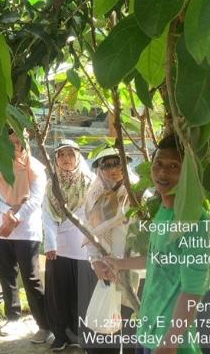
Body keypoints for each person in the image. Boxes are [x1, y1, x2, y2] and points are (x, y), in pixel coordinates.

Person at [102, 135, 210, 354]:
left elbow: (194, 290)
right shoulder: (164, 210)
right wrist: (119, 263)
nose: (163, 173)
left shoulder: (196, 221)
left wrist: (170, 342)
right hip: (149, 332)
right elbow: (160, 258)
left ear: (189, 172)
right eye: (159, 164)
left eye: (174, 166)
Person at [0, 128, 51, 342]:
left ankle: (44, 325)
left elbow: (36, 199)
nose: (15, 145)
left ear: (25, 143)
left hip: (26, 231)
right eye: (10, 141)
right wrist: (7, 212)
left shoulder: (36, 168)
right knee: (6, 275)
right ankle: (12, 318)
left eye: (18, 142)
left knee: (31, 278)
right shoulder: (0, 166)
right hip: (1, 229)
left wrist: (16, 216)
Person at [82, 148, 143, 351]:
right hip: (105, 268)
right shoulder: (94, 195)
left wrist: (125, 263)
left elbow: (145, 234)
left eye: (118, 163)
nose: (113, 169)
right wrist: (96, 262)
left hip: (132, 268)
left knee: (131, 322)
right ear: (99, 169)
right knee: (106, 330)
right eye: (106, 165)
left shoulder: (138, 193)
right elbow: (90, 232)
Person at [42, 140, 94, 353]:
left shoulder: (90, 182)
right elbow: (46, 215)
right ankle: (60, 335)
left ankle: (78, 333)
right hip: (59, 247)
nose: (65, 159)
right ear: (56, 159)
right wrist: (51, 243)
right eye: (61, 155)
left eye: (70, 154)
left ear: (78, 157)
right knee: (58, 293)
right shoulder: (51, 185)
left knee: (81, 292)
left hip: (84, 247)